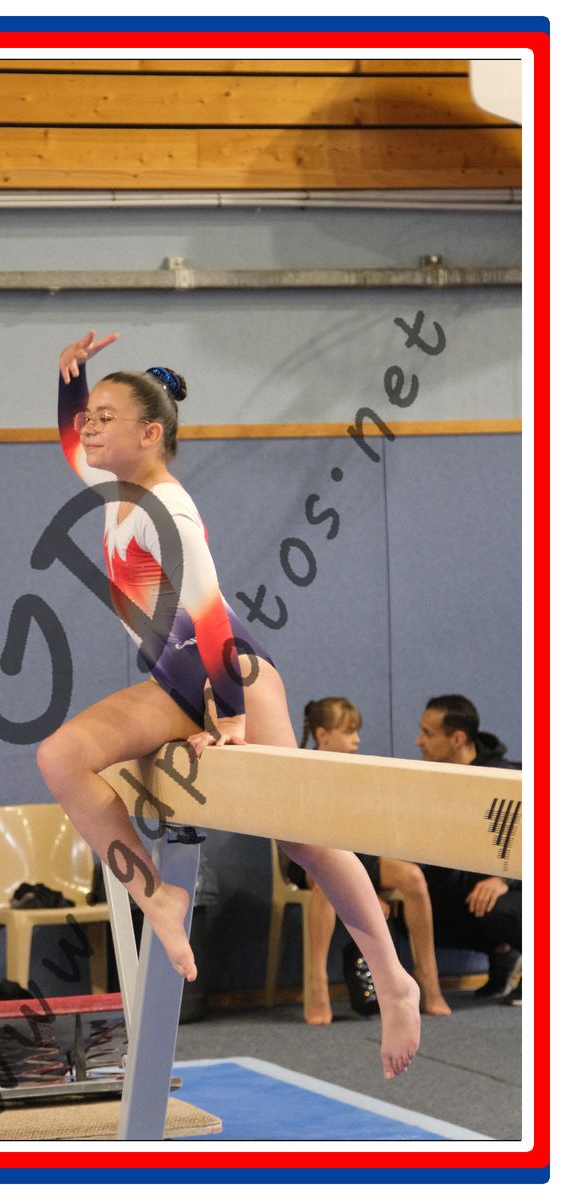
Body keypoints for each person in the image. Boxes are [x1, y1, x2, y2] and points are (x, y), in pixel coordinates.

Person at [36, 330, 421, 1079]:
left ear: (151, 434)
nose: (90, 427)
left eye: (106, 417)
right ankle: (157, 898)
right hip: (175, 685)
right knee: (61, 758)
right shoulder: (116, 490)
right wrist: (71, 382)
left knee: (305, 840)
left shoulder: (167, 511)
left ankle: (392, 975)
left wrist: (231, 717)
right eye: (92, 416)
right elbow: (68, 440)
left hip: (232, 676)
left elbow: (209, 613)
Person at [287, 698, 451, 1024]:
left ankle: (428, 976)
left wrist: (369, 887)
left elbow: (366, 832)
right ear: (323, 735)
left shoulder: (357, 773)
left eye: (357, 732)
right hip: (311, 859)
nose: (357, 740)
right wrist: (366, 892)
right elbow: (309, 838)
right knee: (327, 882)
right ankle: (317, 983)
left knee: (413, 877)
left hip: (357, 856)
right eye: (349, 732)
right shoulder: (304, 772)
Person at [414, 694, 522, 1004]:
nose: (419, 740)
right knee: (415, 908)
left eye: (428, 733)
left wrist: (506, 879)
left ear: (458, 739)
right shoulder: (437, 781)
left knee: (498, 909)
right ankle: (504, 954)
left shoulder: (506, 778)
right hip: (484, 888)